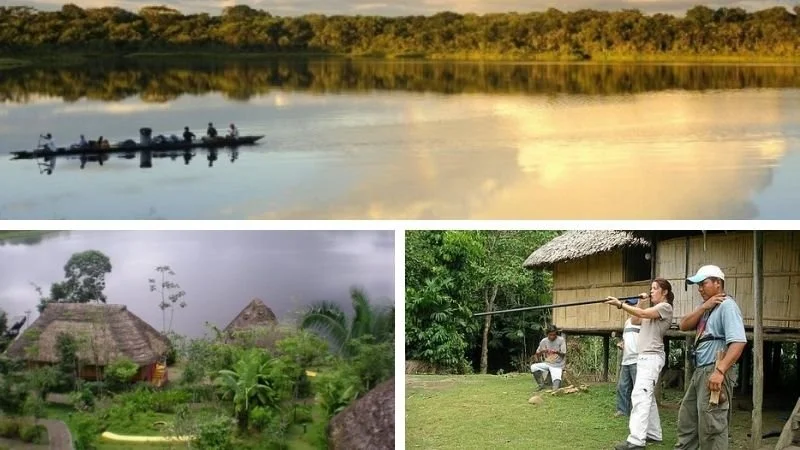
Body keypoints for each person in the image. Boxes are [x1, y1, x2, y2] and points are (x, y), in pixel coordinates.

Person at [675, 265, 746, 450]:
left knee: (711, 427)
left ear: (717, 283)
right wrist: (703, 307)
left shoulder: (727, 306)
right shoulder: (708, 308)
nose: (699, 288)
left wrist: (720, 371)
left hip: (714, 371)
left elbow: (738, 342)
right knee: (688, 420)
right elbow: (683, 325)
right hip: (700, 372)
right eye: (697, 285)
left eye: (703, 283)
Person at [606, 279, 674, 450]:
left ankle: (636, 441)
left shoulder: (665, 307)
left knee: (640, 397)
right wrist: (641, 302)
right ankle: (653, 434)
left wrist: (620, 305)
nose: (651, 291)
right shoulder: (651, 310)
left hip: (651, 357)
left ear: (664, 292)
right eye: (650, 289)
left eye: (655, 289)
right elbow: (636, 320)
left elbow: (643, 315)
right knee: (647, 397)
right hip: (644, 357)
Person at [615, 307, 642, 418]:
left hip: (637, 358)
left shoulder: (642, 320)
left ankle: (638, 412)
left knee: (638, 387)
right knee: (622, 386)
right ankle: (622, 410)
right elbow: (627, 339)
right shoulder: (627, 322)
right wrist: (622, 344)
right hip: (626, 359)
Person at [530, 325, 567, 391]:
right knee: (533, 367)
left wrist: (557, 352)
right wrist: (542, 351)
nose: (552, 337)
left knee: (555, 387)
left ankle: (554, 386)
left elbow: (563, 354)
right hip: (547, 363)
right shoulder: (543, 341)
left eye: (554, 335)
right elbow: (537, 355)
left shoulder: (561, 340)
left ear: (556, 333)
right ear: (547, 334)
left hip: (558, 365)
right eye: (550, 335)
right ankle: (541, 385)